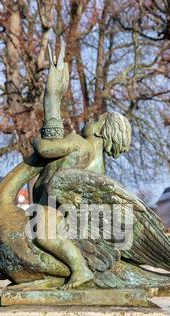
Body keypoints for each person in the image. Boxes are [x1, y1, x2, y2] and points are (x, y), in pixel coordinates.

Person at [32, 43, 131, 289]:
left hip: (51, 209)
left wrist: (51, 98)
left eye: (96, 120)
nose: (91, 119)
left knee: (44, 236)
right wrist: (53, 96)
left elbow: (46, 148)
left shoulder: (78, 143)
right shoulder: (100, 170)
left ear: (101, 132)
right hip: (63, 212)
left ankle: (80, 270)